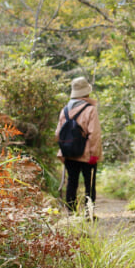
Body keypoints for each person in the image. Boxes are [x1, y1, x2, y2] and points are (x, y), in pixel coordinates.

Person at [55, 76, 102, 214]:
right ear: (86, 92)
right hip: (87, 154)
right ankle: (89, 213)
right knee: (90, 183)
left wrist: (65, 150)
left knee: (72, 182)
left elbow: (58, 133)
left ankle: (71, 213)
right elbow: (94, 134)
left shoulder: (64, 110)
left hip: (68, 154)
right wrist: (94, 154)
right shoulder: (90, 109)